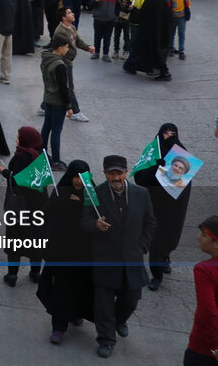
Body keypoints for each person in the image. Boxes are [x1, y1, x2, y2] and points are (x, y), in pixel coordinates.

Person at [82, 154, 156, 359]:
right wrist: (95, 225)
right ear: (104, 173)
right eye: (111, 173)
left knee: (131, 299)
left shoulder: (141, 194)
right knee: (104, 305)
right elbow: (84, 222)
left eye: (119, 173)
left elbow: (150, 223)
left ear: (126, 172)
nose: (116, 177)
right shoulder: (95, 194)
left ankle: (120, 320)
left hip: (132, 259)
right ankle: (106, 340)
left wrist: (142, 246)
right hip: (105, 258)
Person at [37, 160, 95, 345]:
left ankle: (76, 314)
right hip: (61, 250)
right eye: (75, 176)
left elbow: (97, 216)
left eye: (82, 177)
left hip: (84, 252)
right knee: (60, 288)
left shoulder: (92, 194)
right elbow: (47, 214)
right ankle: (58, 327)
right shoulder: (61, 192)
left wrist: (81, 204)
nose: (78, 181)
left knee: (81, 287)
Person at [135, 123, 192, 290]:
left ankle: (165, 257)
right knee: (156, 241)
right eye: (166, 133)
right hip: (154, 205)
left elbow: (185, 183)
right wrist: (156, 168)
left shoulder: (181, 154)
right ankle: (157, 275)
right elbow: (140, 177)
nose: (169, 136)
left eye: (172, 133)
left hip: (173, 208)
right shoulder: (152, 152)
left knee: (170, 237)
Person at [0, 126, 48, 286]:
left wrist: (4, 171)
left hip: (19, 208)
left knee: (15, 241)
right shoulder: (41, 155)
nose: (16, 140)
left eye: (18, 137)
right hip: (39, 207)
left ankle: (12, 275)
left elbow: (17, 180)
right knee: (36, 242)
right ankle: (35, 272)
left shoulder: (23, 157)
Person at [186, 215, 218, 366]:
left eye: (204, 235)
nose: (198, 237)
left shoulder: (204, 270)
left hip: (205, 350)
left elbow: (208, 312)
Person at [39, 34, 74, 169]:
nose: (67, 50)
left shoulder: (46, 59)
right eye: (66, 47)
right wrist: (69, 106)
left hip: (48, 98)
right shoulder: (59, 65)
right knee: (56, 131)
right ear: (59, 48)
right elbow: (63, 88)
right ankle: (56, 161)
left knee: (46, 127)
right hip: (58, 102)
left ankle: (41, 154)